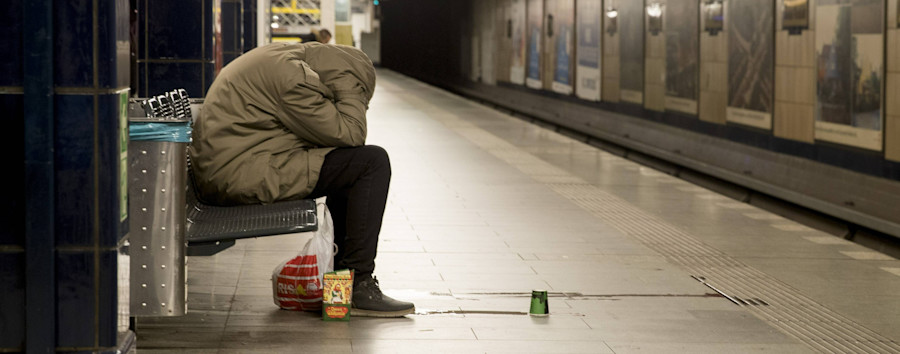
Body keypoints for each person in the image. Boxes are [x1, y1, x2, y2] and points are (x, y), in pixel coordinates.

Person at [189, 42, 415, 317]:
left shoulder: (282, 59)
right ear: (345, 75)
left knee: (350, 167)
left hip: (235, 166)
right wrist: (351, 90)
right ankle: (357, 285)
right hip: (241, 174)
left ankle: (344, 288)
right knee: (372, 162)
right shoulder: (293, 77)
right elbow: (352, 133)